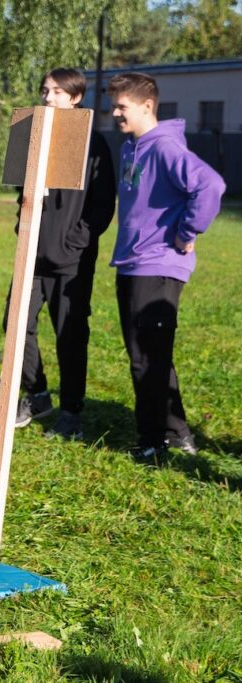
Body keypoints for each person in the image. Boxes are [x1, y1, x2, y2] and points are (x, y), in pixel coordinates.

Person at [106, 72, 225, 460]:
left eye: (122, 106)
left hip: (157, 265)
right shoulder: (132, 146)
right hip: (131, 262)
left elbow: (210, 185)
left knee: (145, 357)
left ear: (147, 106)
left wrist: (187, 231)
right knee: (150, 355)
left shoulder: (164, 148)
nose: (115, 113)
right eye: (114, 105)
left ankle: (152, 443)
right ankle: (178, 434)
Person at [4, 68, 116, 440]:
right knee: (16, 325)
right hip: (32, 255)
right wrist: (25, 228)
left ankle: (71, 412)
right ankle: (37, 395)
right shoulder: (31, 136)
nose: (47, 97)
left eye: (56, 92)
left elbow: (102, 204)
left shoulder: (93, 145)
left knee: (70, 335)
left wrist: (76, 241)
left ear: (75, 98)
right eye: (44, 90)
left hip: (71, 260)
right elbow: (24, 193)